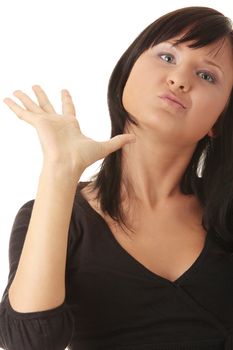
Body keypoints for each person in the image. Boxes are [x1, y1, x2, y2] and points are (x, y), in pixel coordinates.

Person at [0, 5, 233, 350]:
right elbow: (29, 342)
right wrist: (60, 171)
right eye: (168, 57)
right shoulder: (56, 215)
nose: (180, 79)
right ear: (127, 72)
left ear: (218, 120)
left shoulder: (225, 216)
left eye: (207, 76)